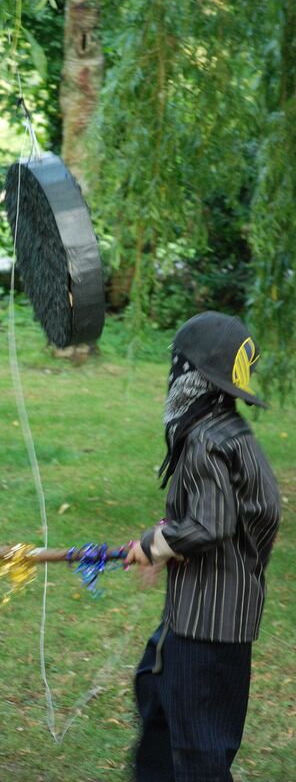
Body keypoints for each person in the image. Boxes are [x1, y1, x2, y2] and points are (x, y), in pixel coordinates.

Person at [126, 311, 280, 782]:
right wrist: (172, 538)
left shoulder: (203, 442)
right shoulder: (231, 432)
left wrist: (157, 543)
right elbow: (235, 514)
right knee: (155, 689)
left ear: (190, 375)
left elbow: (212, 524)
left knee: (200, 748)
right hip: (205, 614)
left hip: (208, 627)